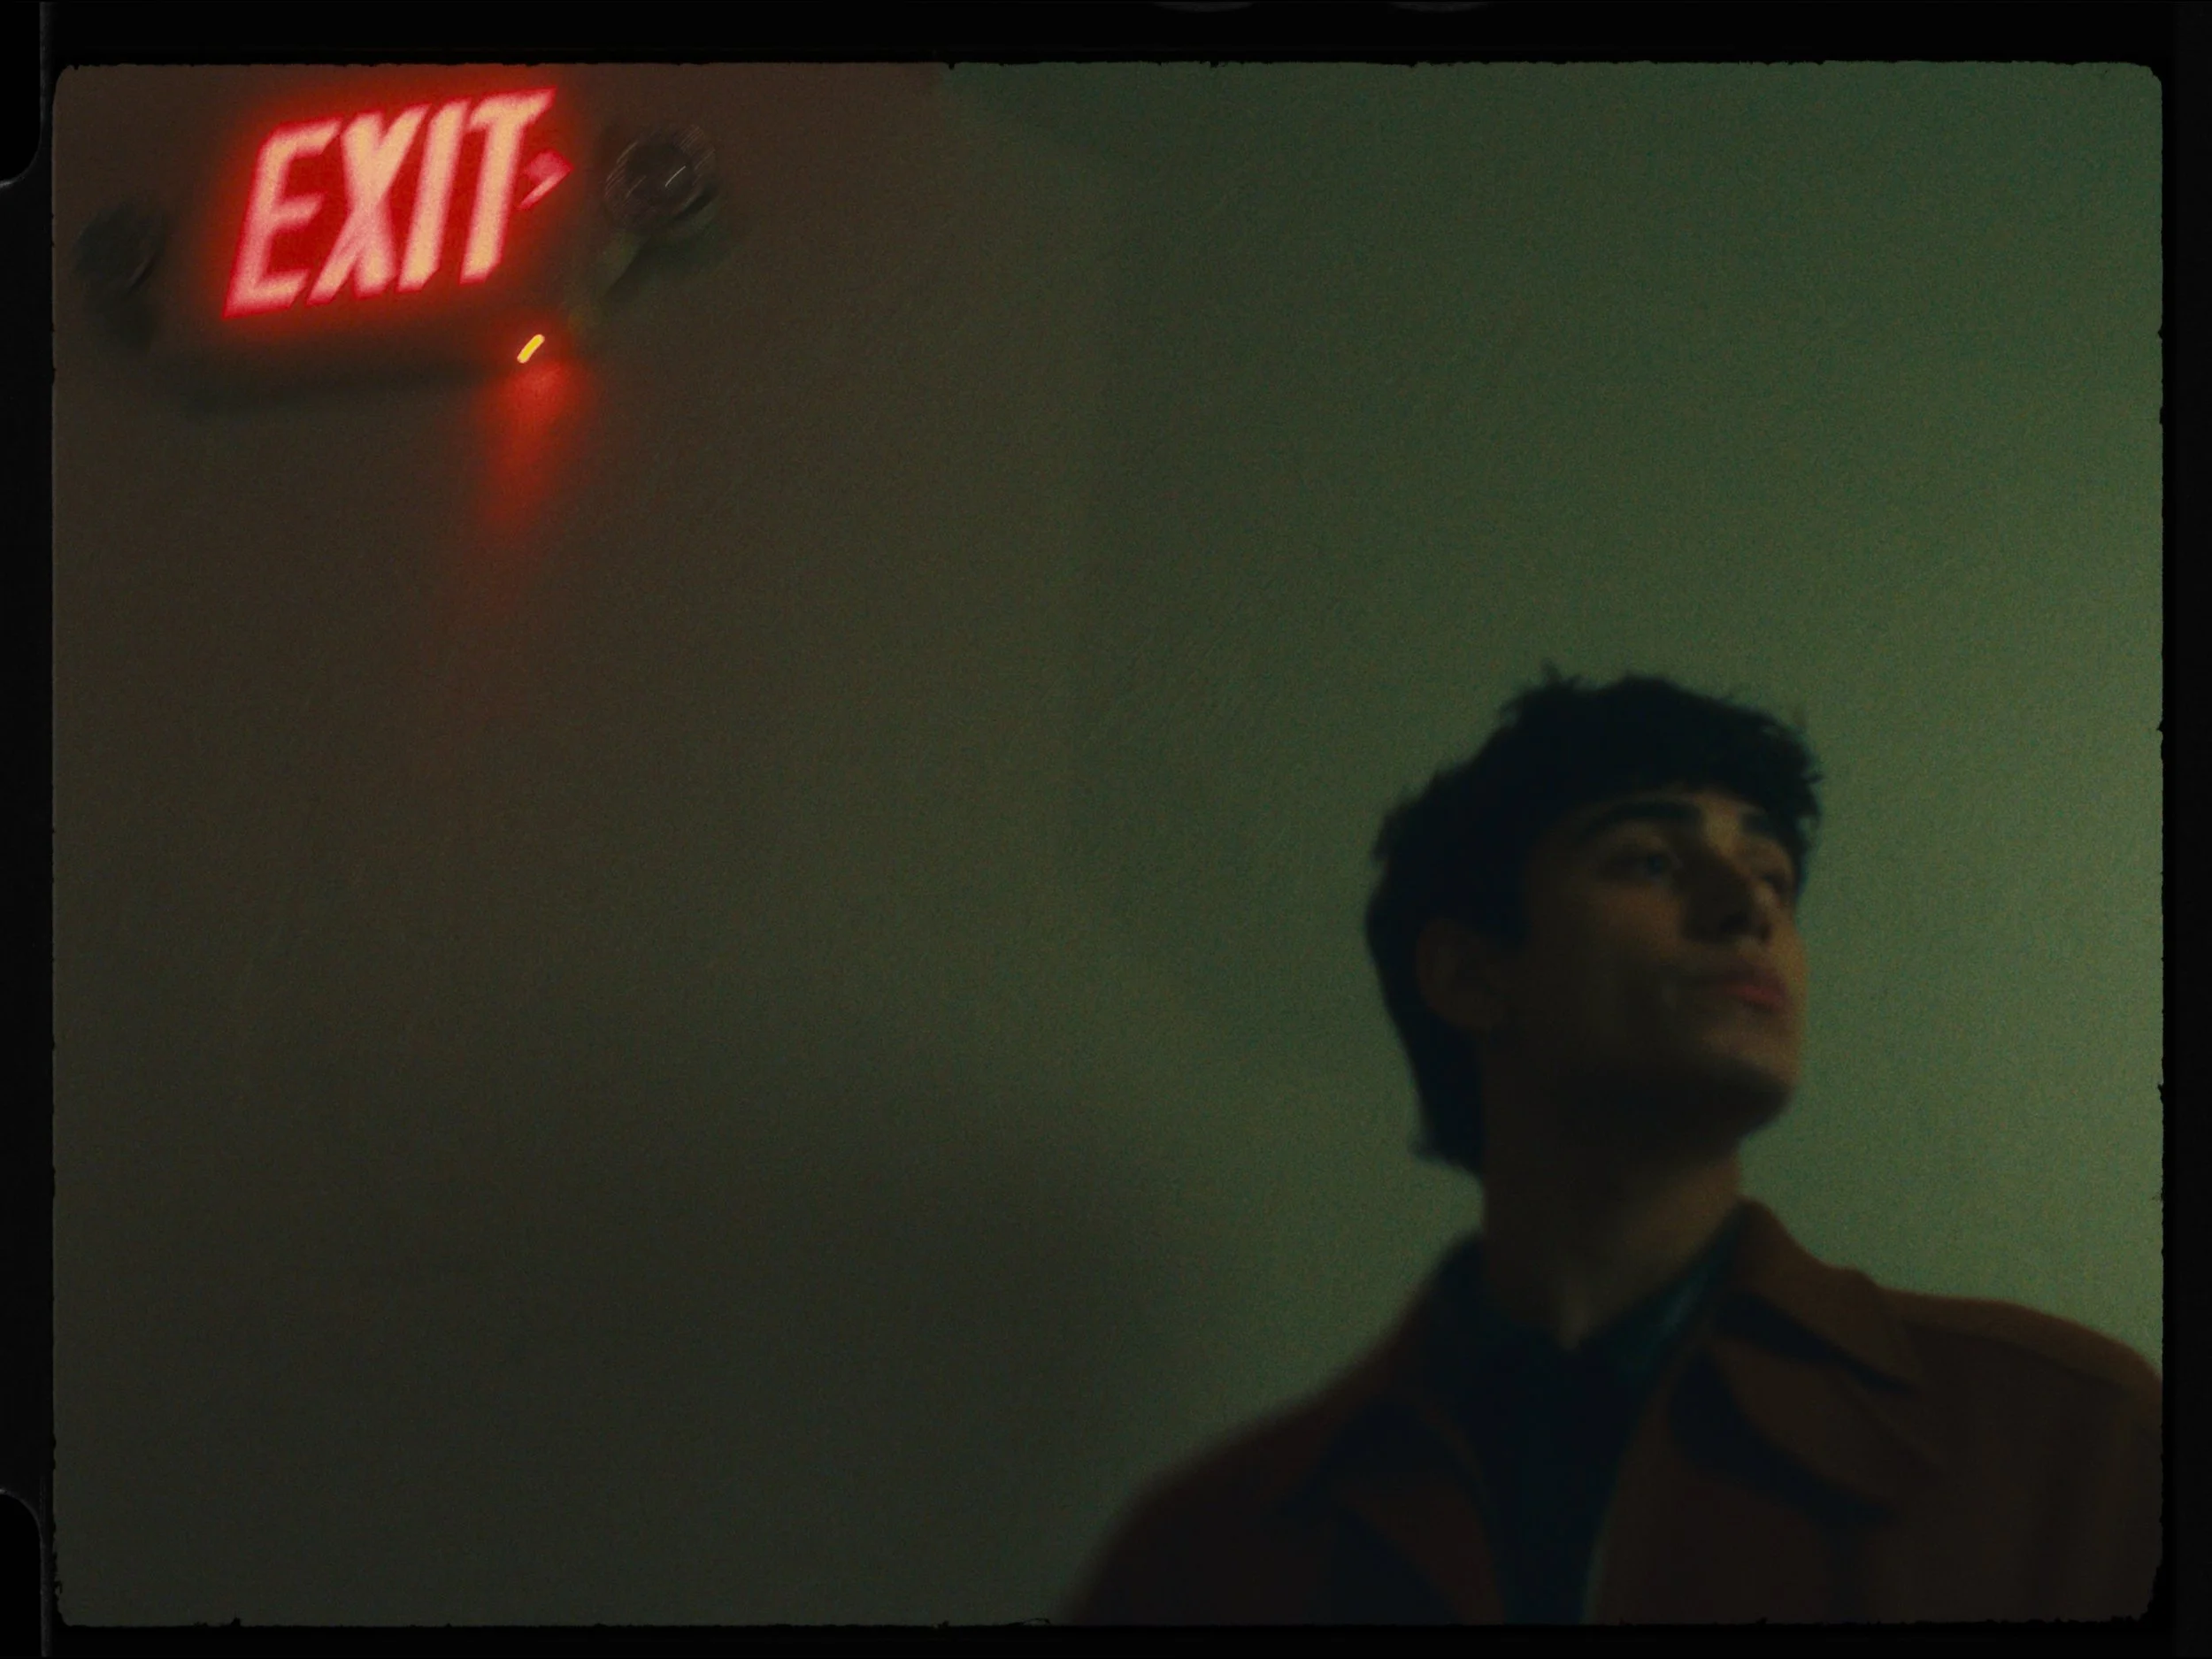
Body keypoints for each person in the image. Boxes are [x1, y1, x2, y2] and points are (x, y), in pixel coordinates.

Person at [1062, 668, 2161, 1625]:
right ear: (1470, 975)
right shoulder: (1211, 1553)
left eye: (1773, 875)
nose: (1748, 909)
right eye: (1648, 859)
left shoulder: (2068, 1448)